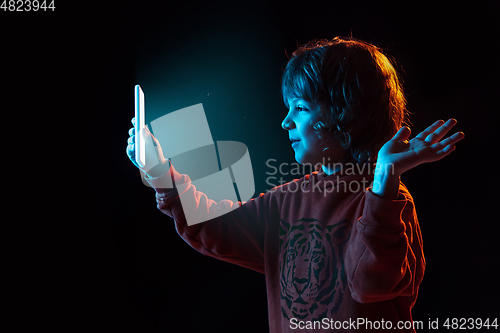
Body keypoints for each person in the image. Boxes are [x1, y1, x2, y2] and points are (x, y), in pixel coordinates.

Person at [125, 37, 464, 332]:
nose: (286, 121)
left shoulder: (390, 202)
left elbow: (368, 283)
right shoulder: (286, 200)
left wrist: (385, 178)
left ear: (346, 114)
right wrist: (159, 171)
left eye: (300, 108)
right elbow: (211, 227)